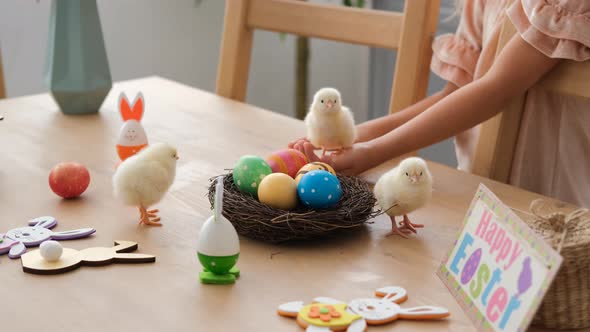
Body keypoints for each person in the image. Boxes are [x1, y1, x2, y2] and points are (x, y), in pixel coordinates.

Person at [290, 0, 590, 207]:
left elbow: (496, 89)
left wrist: (372, 153)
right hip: (483, 200)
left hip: (557, 210)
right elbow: (454, 93)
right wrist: (349, 139)